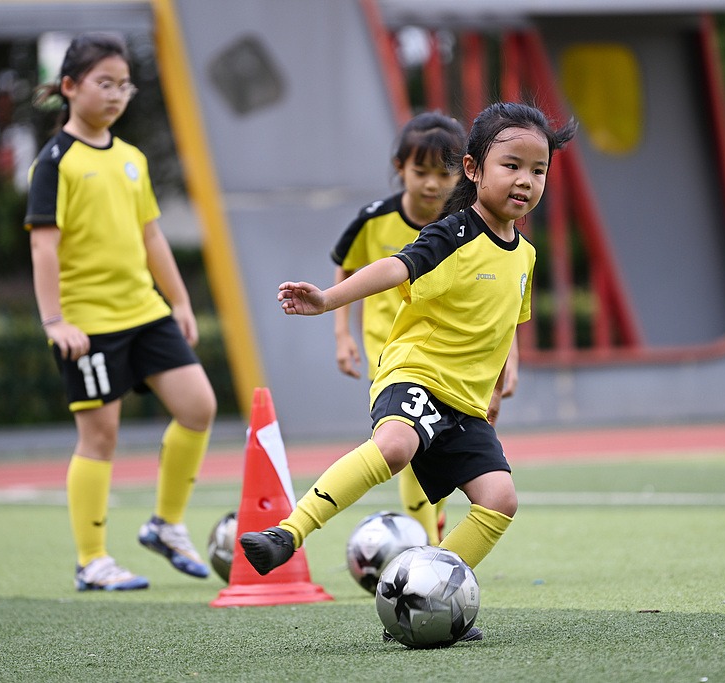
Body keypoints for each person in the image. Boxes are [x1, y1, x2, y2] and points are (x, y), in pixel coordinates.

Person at [241, 102, 576, 640]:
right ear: (473, 170)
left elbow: (509, 318)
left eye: (539, 171)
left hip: (465, 406)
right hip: (414, 374)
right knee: (397, 446)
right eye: (511, 165)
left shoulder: (526, 255)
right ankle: (288, 532)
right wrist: (328, 301)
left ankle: (423, 594)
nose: (526, 180)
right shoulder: (453, 234)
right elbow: (394, 266)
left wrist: (501, 376)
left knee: (501, 500)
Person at [24, 32, 216, 591]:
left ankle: (165, 524)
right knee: (100, 437)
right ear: (69, 87)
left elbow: (152, 236)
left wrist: (178, 301)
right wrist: (55, 321)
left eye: (123, 84)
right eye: (103, 83)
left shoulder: (131, 158)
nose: (115, 94)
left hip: (145, 312)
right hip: (89, 326)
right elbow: (43, 246)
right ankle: (92, 560)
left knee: (199, 407)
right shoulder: (54, 161)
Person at [331, 111, 471, 544]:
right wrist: (342, 334)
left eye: (443, 173)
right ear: (400, 169)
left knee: (442, 445)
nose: (431, 184)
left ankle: (431, 518)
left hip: (449, 356)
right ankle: (428, 541)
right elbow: (347, 268)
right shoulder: (374, 220)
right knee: (409, 445)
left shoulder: (471, 224)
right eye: (420, 171)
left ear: (464, 171)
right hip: (389, 354)